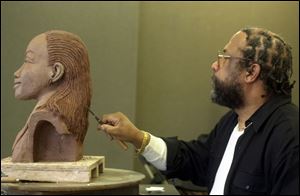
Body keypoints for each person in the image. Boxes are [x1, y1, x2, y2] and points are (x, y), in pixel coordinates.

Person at [98, 27, 299, 195]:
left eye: (224, 58)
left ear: (251, 72)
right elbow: (193, 159)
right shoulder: (232, 122)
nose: (214, 65)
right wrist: (136, 137)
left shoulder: (289, 137)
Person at [12, 30, 91, 162]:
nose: (17, 73)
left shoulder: (46, 120)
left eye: (29, 60)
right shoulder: (45, 116)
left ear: (55, 72)